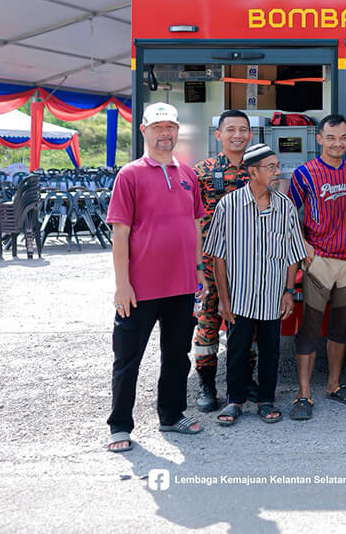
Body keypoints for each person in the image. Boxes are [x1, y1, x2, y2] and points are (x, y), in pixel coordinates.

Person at [105, 102, 205, 453]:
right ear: (144, 131)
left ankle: (171, 414)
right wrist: (122, 285)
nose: (165, 133)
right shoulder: (130, 175)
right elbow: (120, 233)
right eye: (158, 127)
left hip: (182, 285)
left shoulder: (188, 174)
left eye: (171, 127)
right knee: (128, 358)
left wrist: (199, 272)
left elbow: (195, 224)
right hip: (140, 288)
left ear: (178, 132)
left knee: (177, 355)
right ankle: (120, 425)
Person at [206, 143, 307, 426]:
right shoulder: (228, 206)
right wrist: (224, 299)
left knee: (271, 350)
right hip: (240, 297)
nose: (277, 172)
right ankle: (235, 400)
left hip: (272, 296)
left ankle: (266, 400)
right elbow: (218, 257)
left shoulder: (284, 206)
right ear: (252, 172)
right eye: (271, 167)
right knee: (237, 349)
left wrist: (289, 291)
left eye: (277, 166)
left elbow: (292, 253)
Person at [288, 114, 346, 420]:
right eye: (331, 137)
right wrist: (303, 243)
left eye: (343, 137)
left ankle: (334, 385)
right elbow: (287, 212)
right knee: (310, 328)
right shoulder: (304, 173)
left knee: (340, 326)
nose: (337, 143)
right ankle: (303, 394)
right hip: (319, 259)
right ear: (319, 139)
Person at [192, 109, 255, 413]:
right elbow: (190, 219)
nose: (237, 135)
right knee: (207, 324)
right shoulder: (201, 171)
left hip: (247, 264)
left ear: (251, 135)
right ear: (218, 135)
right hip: (209, 262)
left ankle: (244, 382)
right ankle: (207, 385)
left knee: (246, 325)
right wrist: (195, 265)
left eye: (243, 130)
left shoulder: (258, 169)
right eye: (231, 129)